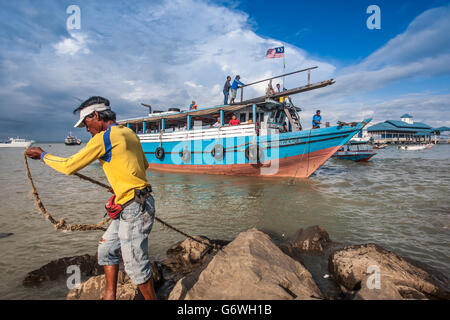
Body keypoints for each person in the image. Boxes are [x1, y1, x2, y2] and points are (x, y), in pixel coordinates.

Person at [24, 96, 157, 300]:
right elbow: (142, 167)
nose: (86, 129)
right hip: (139, 201)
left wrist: (42, 155)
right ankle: (109, 296)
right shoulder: (129, 132)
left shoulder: (103, 138)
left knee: (136, 269)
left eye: (86, 123)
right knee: (106, 248)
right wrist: (119, 188)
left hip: (133, 208)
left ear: (95, 116)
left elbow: (68, 166)